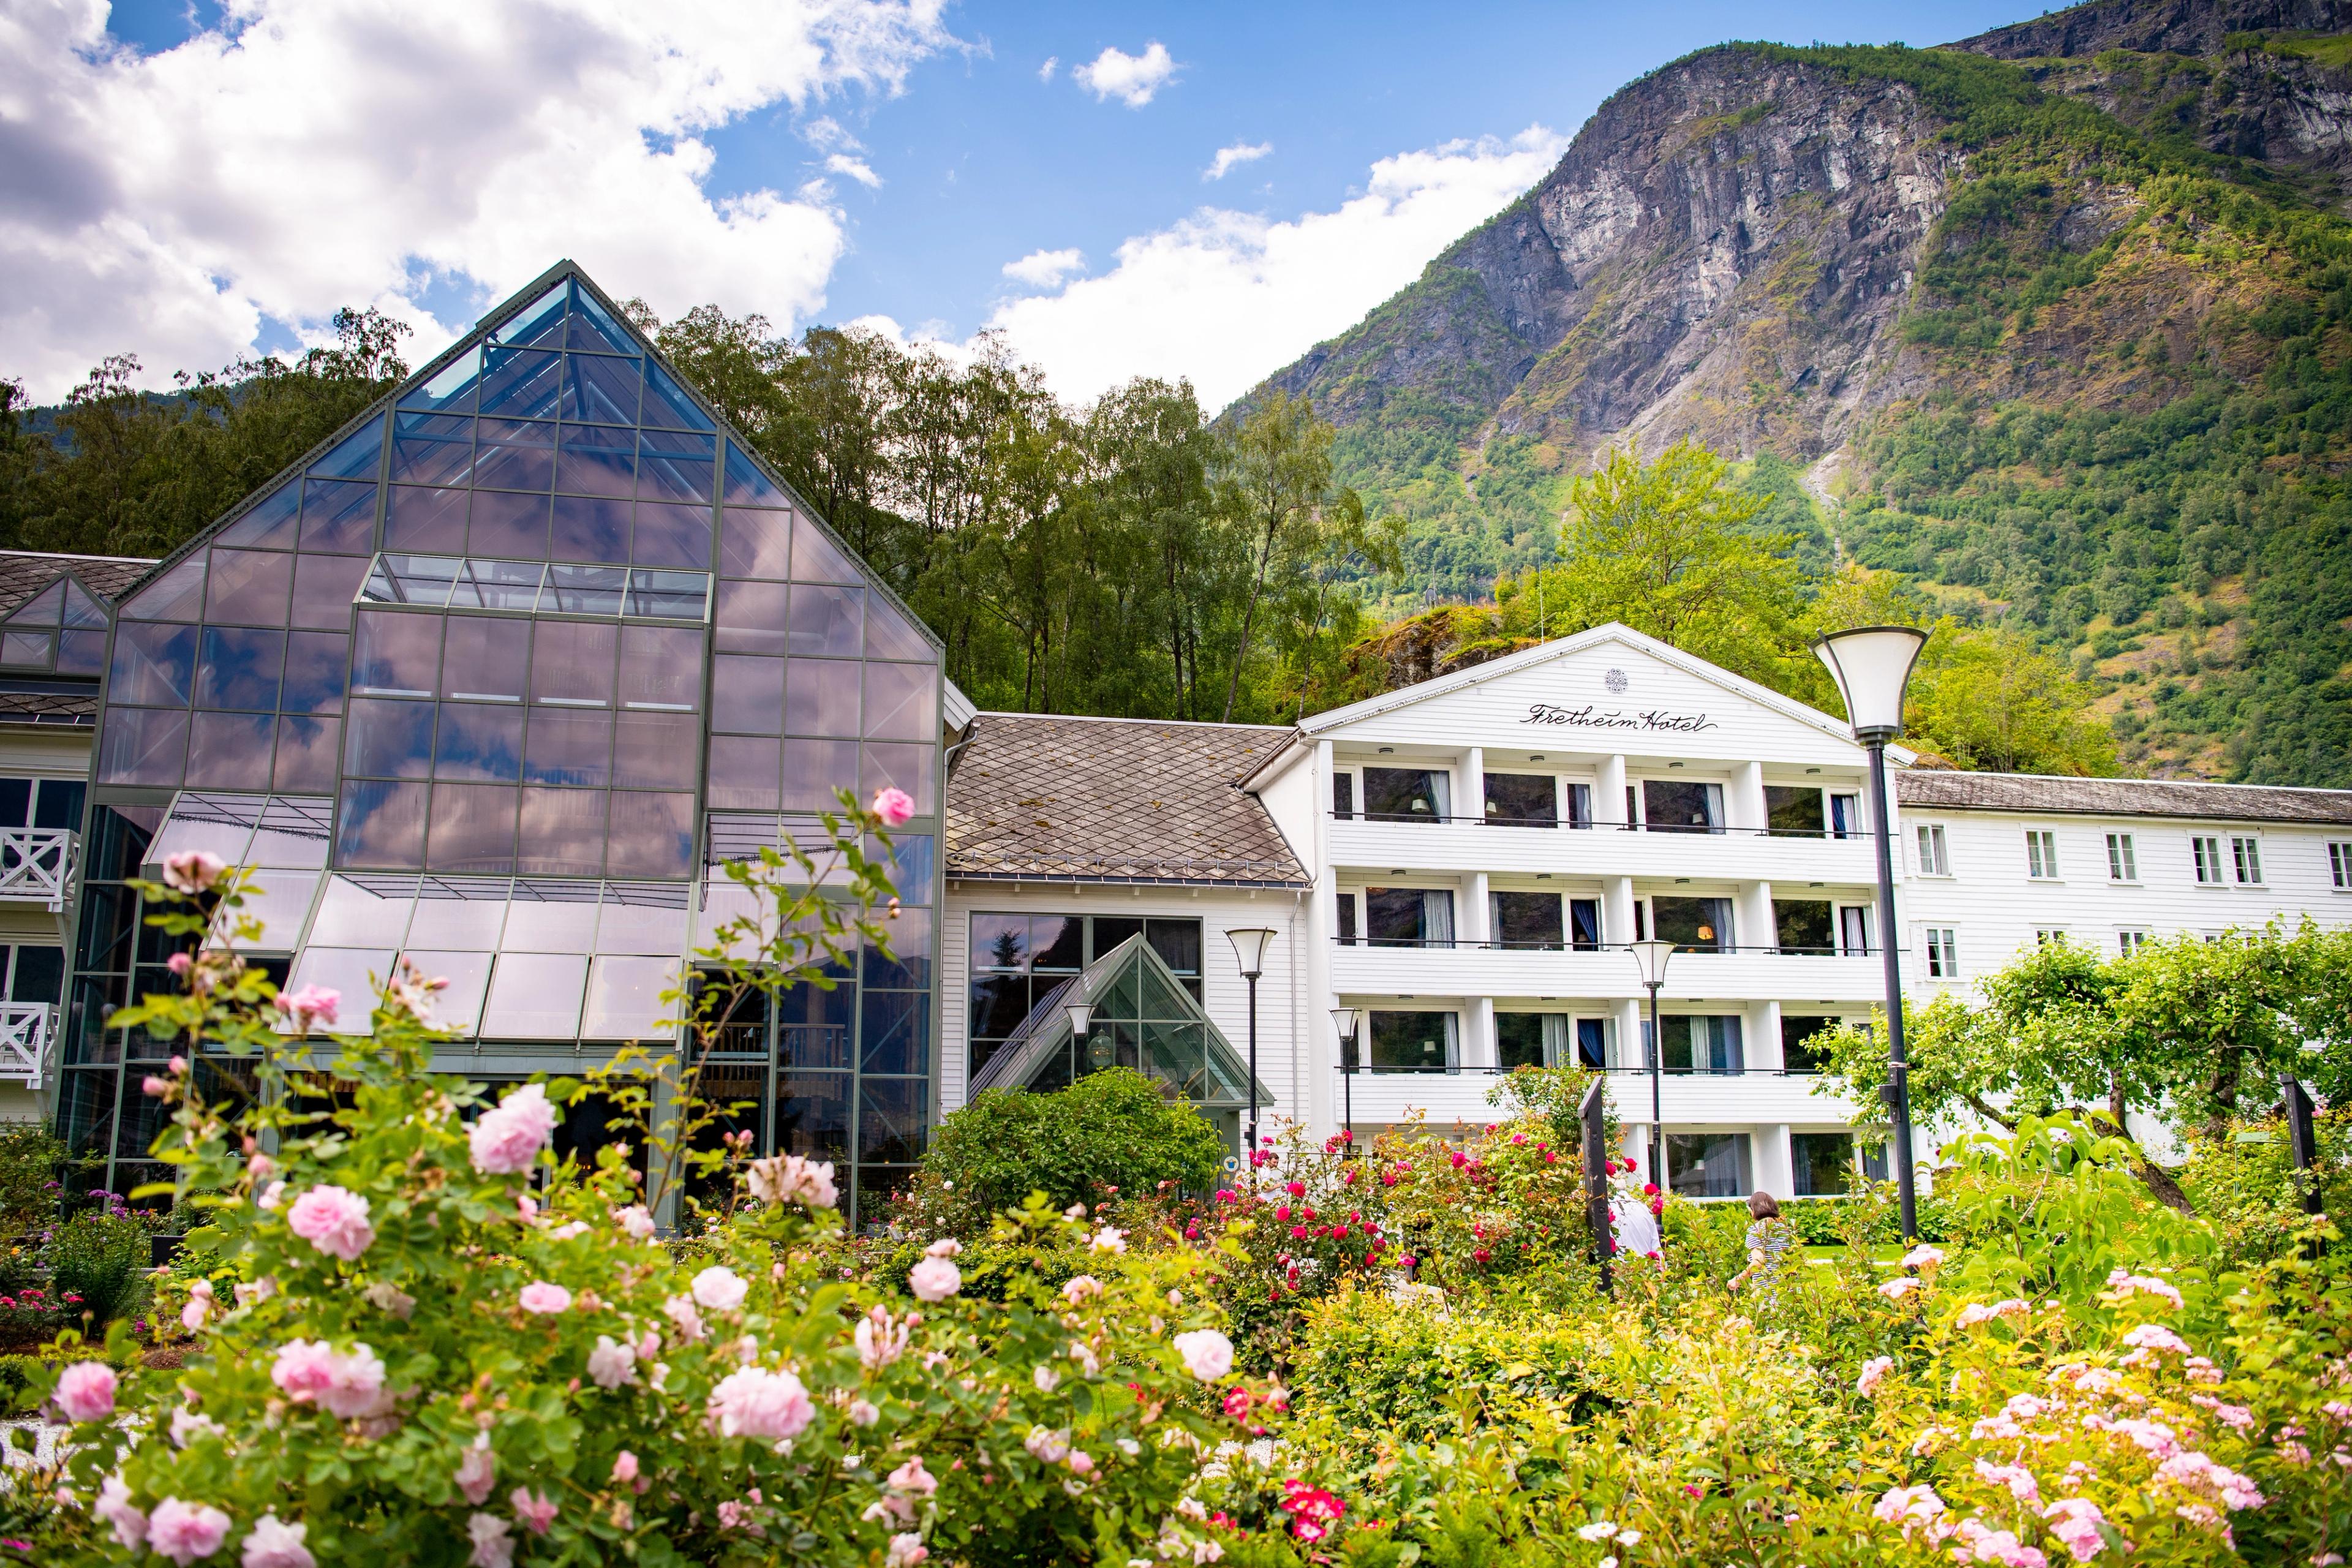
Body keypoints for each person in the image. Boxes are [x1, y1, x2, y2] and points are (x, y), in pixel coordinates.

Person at [1733, 1190, 1792, 1298]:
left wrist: (1738, 1279)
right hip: (1788, 1291)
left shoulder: (1755, 1230)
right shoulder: (1786, 1230)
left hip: (1767, 1290)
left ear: (1754, 1210)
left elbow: (1759, 1261)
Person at [1607, 1157, 1662, 1259]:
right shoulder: (1643, 1209)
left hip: (1618, 1270)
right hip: (1644, 1270)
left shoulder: (1606, 1209)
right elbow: (1657, 1251)